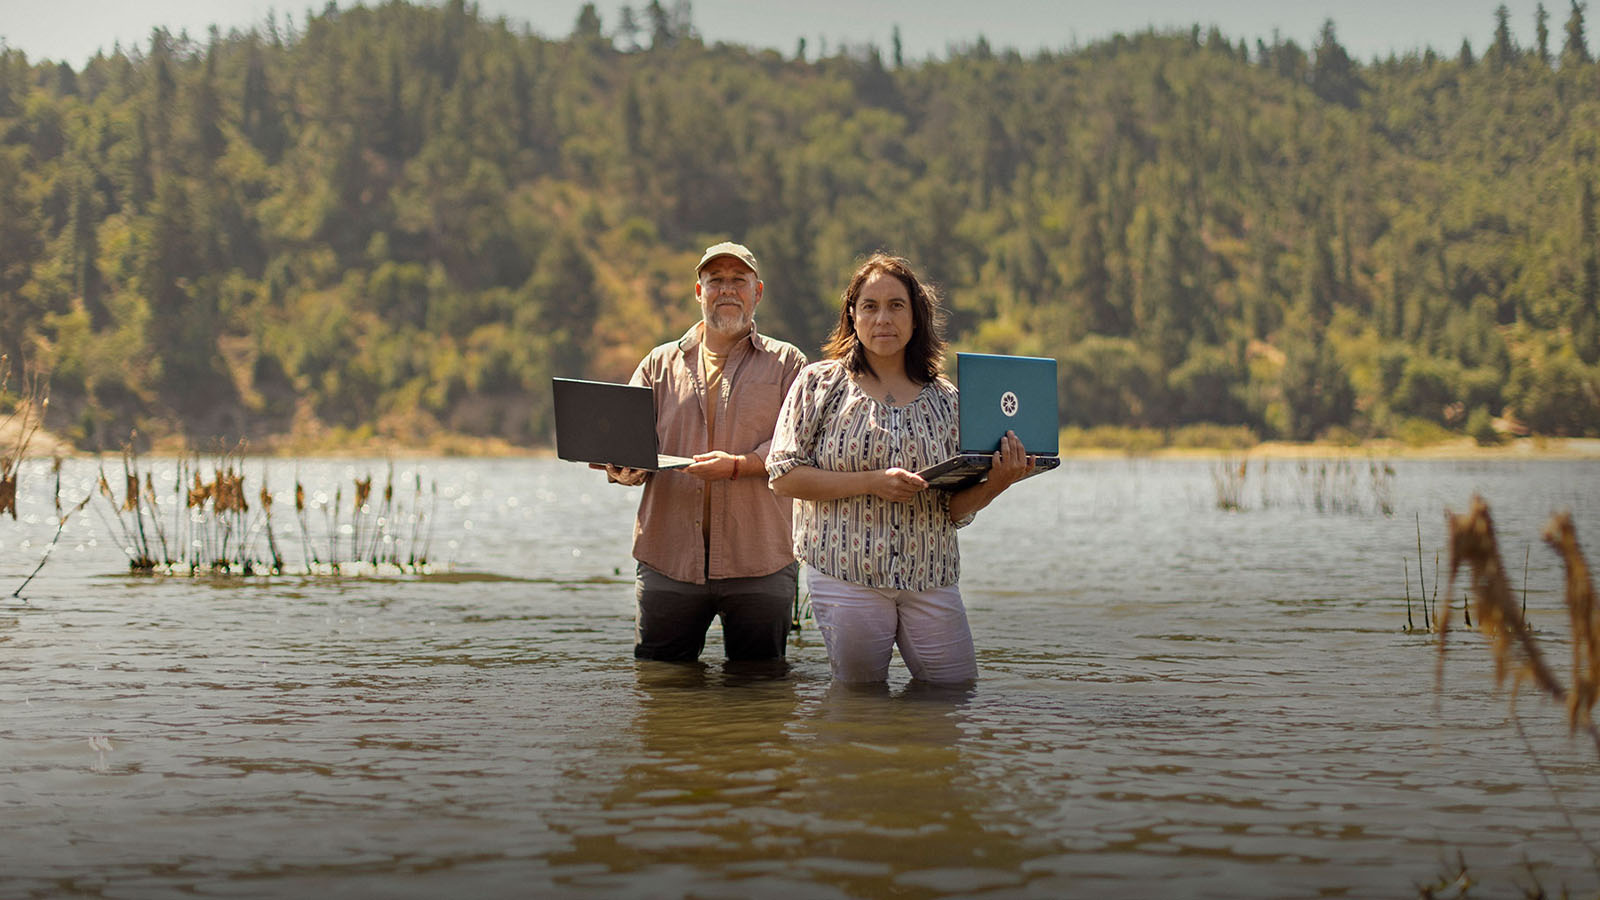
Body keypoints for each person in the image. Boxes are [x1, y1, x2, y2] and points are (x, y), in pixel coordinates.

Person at [766, 253, 1032, 685]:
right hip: (845, 571)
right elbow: (782, 477)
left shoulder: (949, 401)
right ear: (852, 316)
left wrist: (998, 482)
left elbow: (952, 510)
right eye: (869, 306)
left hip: (931, 575)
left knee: (955, 690)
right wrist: (873, 482)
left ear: (916, 317)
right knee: (860, 702)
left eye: (896, 305)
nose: (883, 318)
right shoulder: (818, 384)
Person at [595, 242, 808, 663]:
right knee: (662, 690)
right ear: (699, 292)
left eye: (738, 281)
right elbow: (627, 445)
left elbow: (799, 446)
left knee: (760, 693)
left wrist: (738, 466)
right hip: (667, 561)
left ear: (758, 291)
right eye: (716, 281)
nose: (727, 290)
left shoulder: (788, 364)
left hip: (761, 562)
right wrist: (623, 468)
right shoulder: (657, 364)